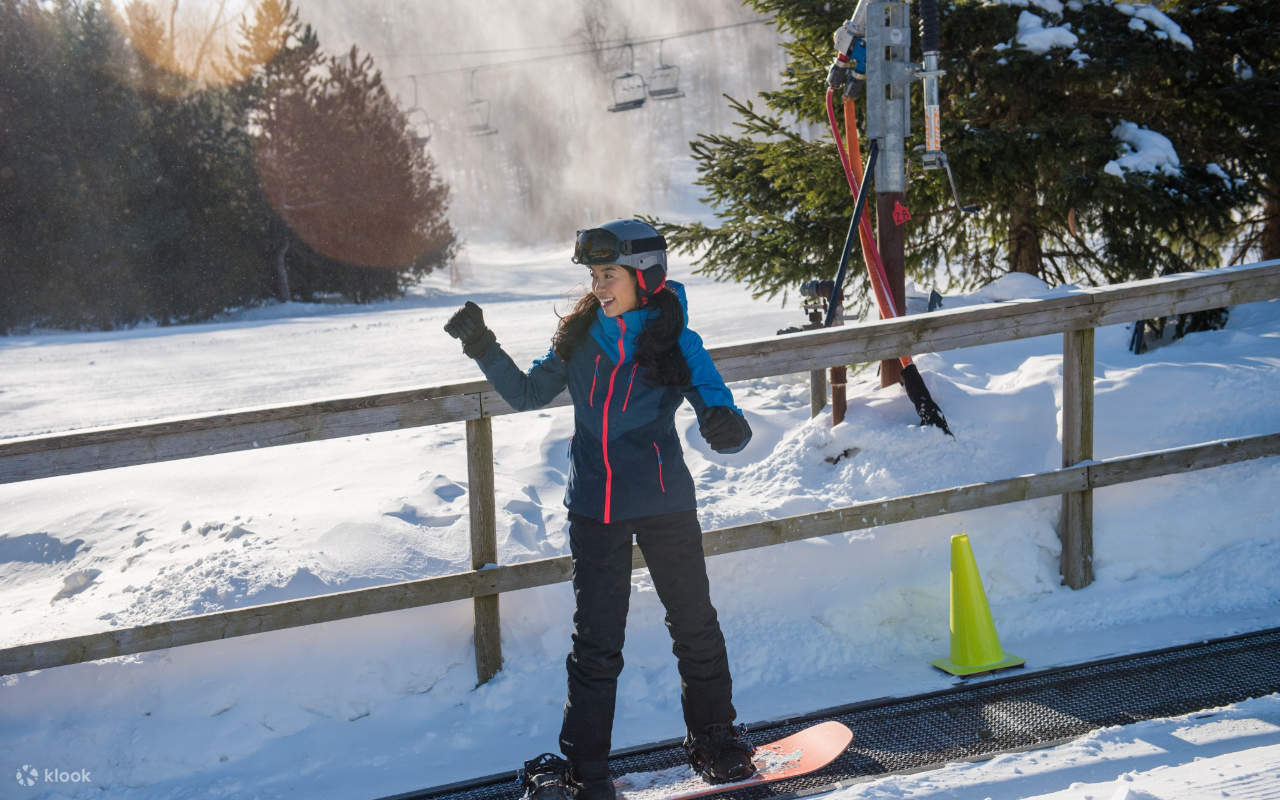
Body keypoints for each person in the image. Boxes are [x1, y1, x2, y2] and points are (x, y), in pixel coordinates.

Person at [444, 219, 756, 800]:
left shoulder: (677, 340)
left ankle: (716, 740)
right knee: (596, 644)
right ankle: (585, 770)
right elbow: (528, 393)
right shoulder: (581, 335)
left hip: (664, 502)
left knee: (694, 625)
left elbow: (725, 416)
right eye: (594, 275)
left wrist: (725, 426)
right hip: (595, 507)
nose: (599, 285)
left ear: (645, 276)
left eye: (608, 274)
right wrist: (482, 344)